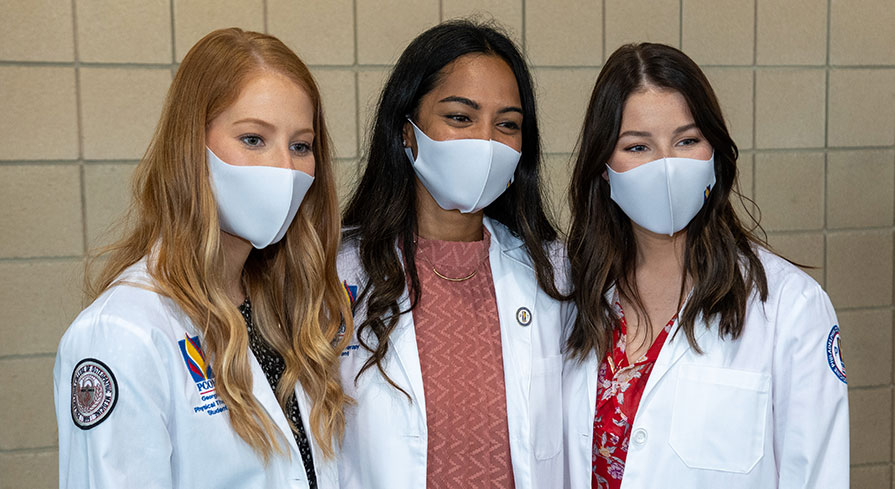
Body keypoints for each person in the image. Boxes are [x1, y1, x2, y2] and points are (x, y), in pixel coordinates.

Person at [53, 28, 350, 489]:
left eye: (300, 146)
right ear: (192, 147)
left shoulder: (284, 307)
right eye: (253, 139)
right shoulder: (123, 332)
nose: (284, 170)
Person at [562, 42, 849, 489]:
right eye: (637, 147)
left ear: (715, 153)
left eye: (687, 141)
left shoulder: (789, 307)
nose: (666, 168)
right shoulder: (567, 292)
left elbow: (817, 476)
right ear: (603, 167)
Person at [337, 20, 573, 489]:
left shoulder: (555, 273)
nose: (485, 142)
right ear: (407, 132)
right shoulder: (338, 270)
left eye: (507, 124)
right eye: (461, 117)